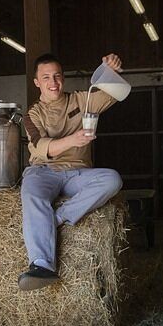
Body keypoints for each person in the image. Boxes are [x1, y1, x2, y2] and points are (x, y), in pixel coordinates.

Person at [18, 53, 125, 291]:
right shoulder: (32, 115)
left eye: (56, 76)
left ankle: (58, 217)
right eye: (46, 77)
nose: (52, 82)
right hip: (44, 171)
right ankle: (42, 265)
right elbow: (41, 146)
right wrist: (74, 140)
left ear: (63, 78)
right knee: (31, 194)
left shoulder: (81, 100)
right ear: (37, 82)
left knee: (112, 179)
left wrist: (111, 71)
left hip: (78, 173)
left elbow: (115, 93)